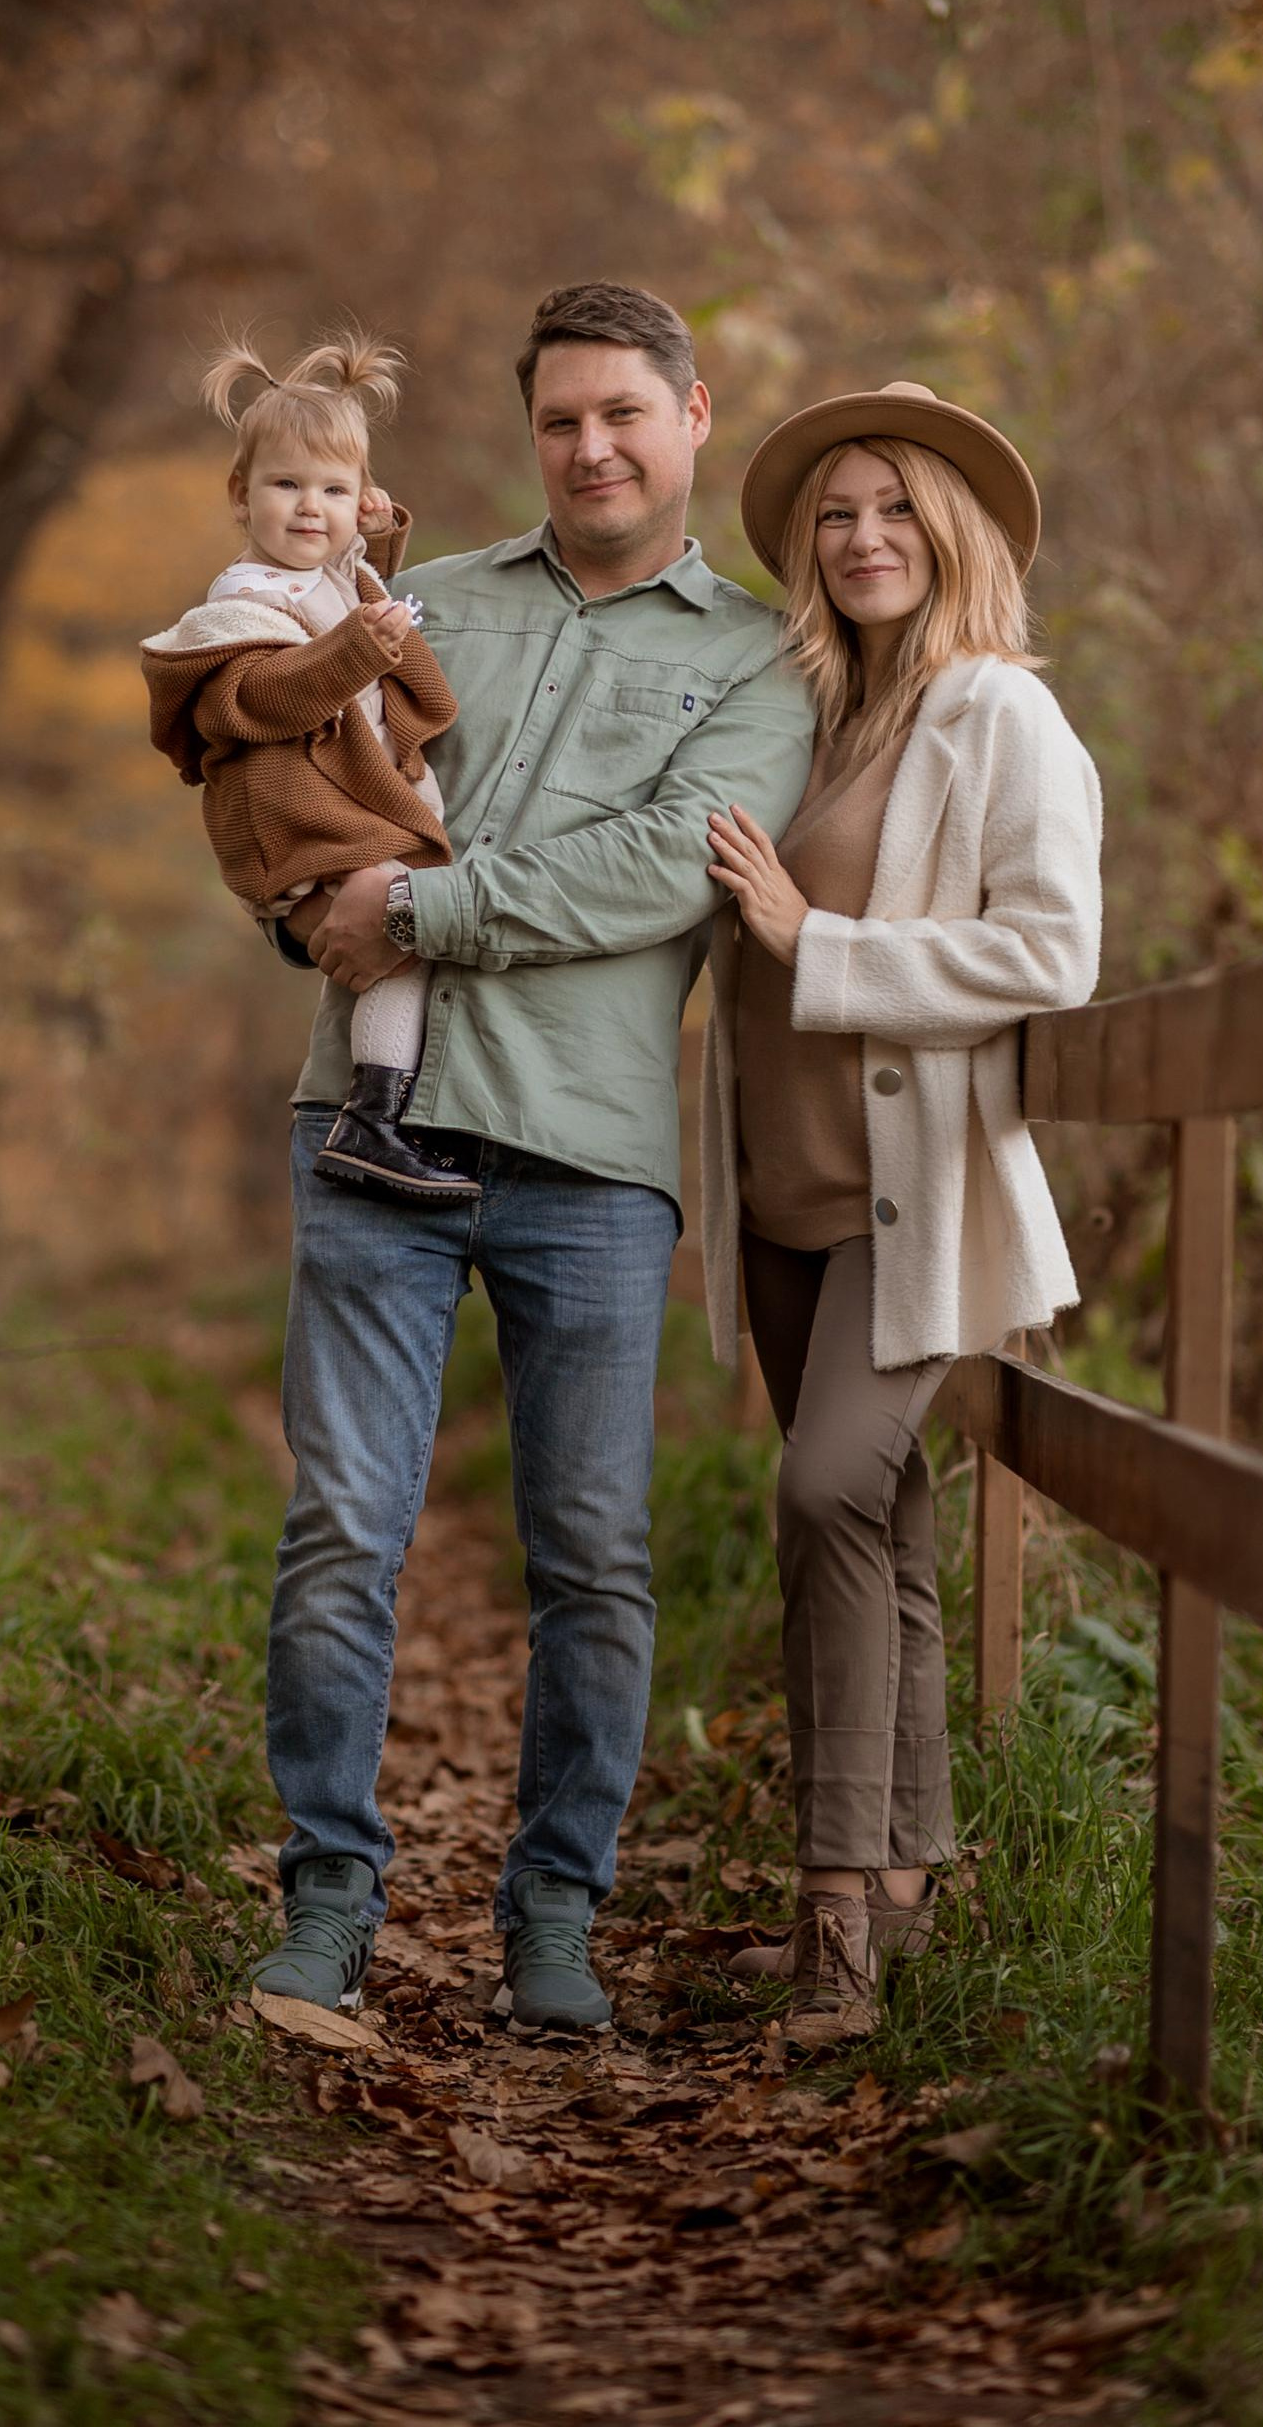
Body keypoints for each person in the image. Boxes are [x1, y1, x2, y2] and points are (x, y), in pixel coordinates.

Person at [250, 282, 816, 2031]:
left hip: (587, 1155)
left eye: (620, 415)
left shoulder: (755, 658)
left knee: (591, 1549)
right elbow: (308, 788)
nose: (588, 448)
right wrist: (306, 907)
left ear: (691, 415)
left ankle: (553, 1914)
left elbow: (665, 868)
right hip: (368, 1119)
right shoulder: (414, 604)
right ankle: (328, 1897)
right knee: (342, 1522)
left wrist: (416, 903)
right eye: (559, 419)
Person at [700, 380, 1102, 2050]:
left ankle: (833, 1929)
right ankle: (912, 1874)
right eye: (834, 514)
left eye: (891, 507)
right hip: (780, 1200)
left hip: (906, 1202)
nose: (860, 538)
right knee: (878, 1532)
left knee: (817, 1494)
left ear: (950, 530)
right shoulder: (812, 709)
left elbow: (1049, 952)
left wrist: (817, 940)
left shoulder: (997, 712)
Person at [139, 328, 482, 1205]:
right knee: (405, 947)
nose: (308, 509)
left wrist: (377, 539)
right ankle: (371, 1121)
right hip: (298, 828)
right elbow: (270, 692)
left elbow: (359, 598)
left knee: (412, 942)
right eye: (286, 485)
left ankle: (383, 1114)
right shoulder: (243, 601)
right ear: (240, 494)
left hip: (344, 816)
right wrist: (359, 645)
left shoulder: (329, 575)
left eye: (334, 491)